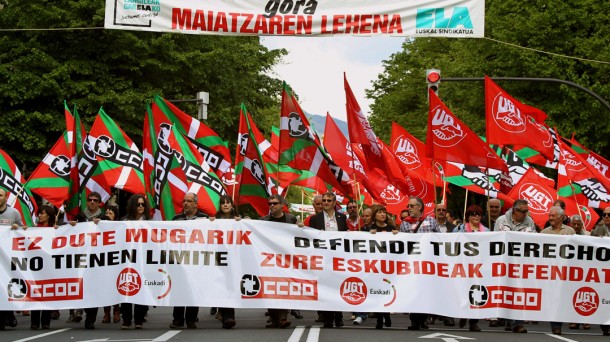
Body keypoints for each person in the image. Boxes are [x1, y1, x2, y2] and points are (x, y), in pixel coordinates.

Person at [69, 191, 109, 329]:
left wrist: (102, 224)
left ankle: (90, 318)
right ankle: (82, 309)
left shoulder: (104, 218)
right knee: (82, 286)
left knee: (94, 288)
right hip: (81, 258)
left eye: (95, 200)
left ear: (99, 203)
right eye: (90, 200)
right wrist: (71, 226)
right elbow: (69, 231)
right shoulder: (80, 217)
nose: (92, 202)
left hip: (98, 259)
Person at [494, 199, 535, 333]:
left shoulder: (529, 222)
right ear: (514, 210)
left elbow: (534, 242)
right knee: (505, 290)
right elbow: (494, 240)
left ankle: (518, 323)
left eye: (526, 211)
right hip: (503, 261)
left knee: (518, 291)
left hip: (520, 262)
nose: (525, 214)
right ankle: (506, 319)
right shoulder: (501, 220)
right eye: (522, 211)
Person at [308, 192, 348, 328]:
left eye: (328, 200)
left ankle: (339, 317)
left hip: (339, 258)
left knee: (338, 287)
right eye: (324, 200)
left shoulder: (342, 218)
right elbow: (310, 238)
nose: (325, 202)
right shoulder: (315, 219)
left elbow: (348, 237)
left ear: (334, 202)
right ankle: (327, 319)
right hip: (323, 258)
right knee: (325, 287)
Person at [400, 196, 439, 331]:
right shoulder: (404, 223)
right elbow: (401, 243)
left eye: (411, 206)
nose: (409, 209)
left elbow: (438, 240)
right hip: (412, 263)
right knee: (413, 291)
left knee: (425, 291)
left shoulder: (431, 221)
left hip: (428, 262)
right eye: (408, 206)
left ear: (420, 207)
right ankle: (414, 321)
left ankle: (423, 319)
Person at [169, 193, 208, 330]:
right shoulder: (176, 219)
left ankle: (191, 319)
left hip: (196, 259)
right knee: (179, 290)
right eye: (184, 201)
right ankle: (178, 319)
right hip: (180, 260)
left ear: (195, 204)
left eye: (189, 201)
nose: (185, 203)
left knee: (193, 289)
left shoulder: (204, 219)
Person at [259, 194, 296, 329]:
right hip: (268, 260)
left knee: (284, 287)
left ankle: (283, 318)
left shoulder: (291, 219)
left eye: (274, 203)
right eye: (270, 204)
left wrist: (300, 227)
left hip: (285, 260)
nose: (272, 206)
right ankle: (274, 318)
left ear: (282, 205)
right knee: (270, 288)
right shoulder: (263, 220)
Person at [541, 206, 575, 335]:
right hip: (549, 271)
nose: (550, 218)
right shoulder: (544, 233)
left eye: (553, 216)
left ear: (561, 217)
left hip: (566, 272)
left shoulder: (571, 231)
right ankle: (556, 326)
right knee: (554, 298)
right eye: (549, 216)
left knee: (563, 299)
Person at [451, 204, 484, 332]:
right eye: (473, 214)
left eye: (478, 214)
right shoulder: (459, 229)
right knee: (462, 291)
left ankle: (474, 322)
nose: (476, 216)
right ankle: (464, 314)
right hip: (462, 266)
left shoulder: (486, 231)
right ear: (468, 217)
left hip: (479, 268)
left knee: (476, 293)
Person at [120, 194, 151, 330]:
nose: (140, 207)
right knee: (126, 289)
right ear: (133, 206)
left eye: (143, 204)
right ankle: (126, 320)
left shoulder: (151, 222)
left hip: (144, 261)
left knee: (141, 290)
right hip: (127, 261)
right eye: (138, 204)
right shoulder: (124, 221)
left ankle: (139, 320)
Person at [211, 195, 239, 329]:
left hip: (234, 258)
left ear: (232, 205)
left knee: (230, 285)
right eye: (223, 203)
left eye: (228, 203)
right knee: (221, 285)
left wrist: (245, 221)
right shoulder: (215, 219)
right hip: (218, 257)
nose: (225, 205)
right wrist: (209, 223)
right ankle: (225, 315)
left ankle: (228, 316)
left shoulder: (238, 220)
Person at [29, 205, 57, 330]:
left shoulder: (55, 229)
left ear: (49, 216)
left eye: (42, 213)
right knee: (35, 292)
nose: (39, 215)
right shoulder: (32, 230)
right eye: (39, 213)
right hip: (35, 266)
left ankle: (46, 321)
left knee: (47, 293)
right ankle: (34, 322)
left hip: (49, 267)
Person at [368, 204, 395, 329]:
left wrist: (396, 234)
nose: (382, 214)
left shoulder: (391, 228)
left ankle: (387, 314)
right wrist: (368, 234)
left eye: (384, 212)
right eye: (379, 212)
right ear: (374, 216)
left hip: (388, 265)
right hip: (375, 266)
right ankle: (379, 319)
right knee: (377, 292)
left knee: (387, 290)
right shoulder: (369, 229)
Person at [0, 188, 22, 330]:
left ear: (6, 197)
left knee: (6, 286)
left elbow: (23, 230)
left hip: (8, 257)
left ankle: (8, 314)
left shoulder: (14, 213)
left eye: (0, 195)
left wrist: (16, 228)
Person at [102, 204, 121, 324]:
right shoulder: (101, 226)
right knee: (106, 287)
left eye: (111, 213)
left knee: (116, 286)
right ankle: (107, 313)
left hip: (117, 260)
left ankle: (117, 310)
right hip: (104, 261)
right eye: (107, 213)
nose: (108, 215)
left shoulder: (120, 227)